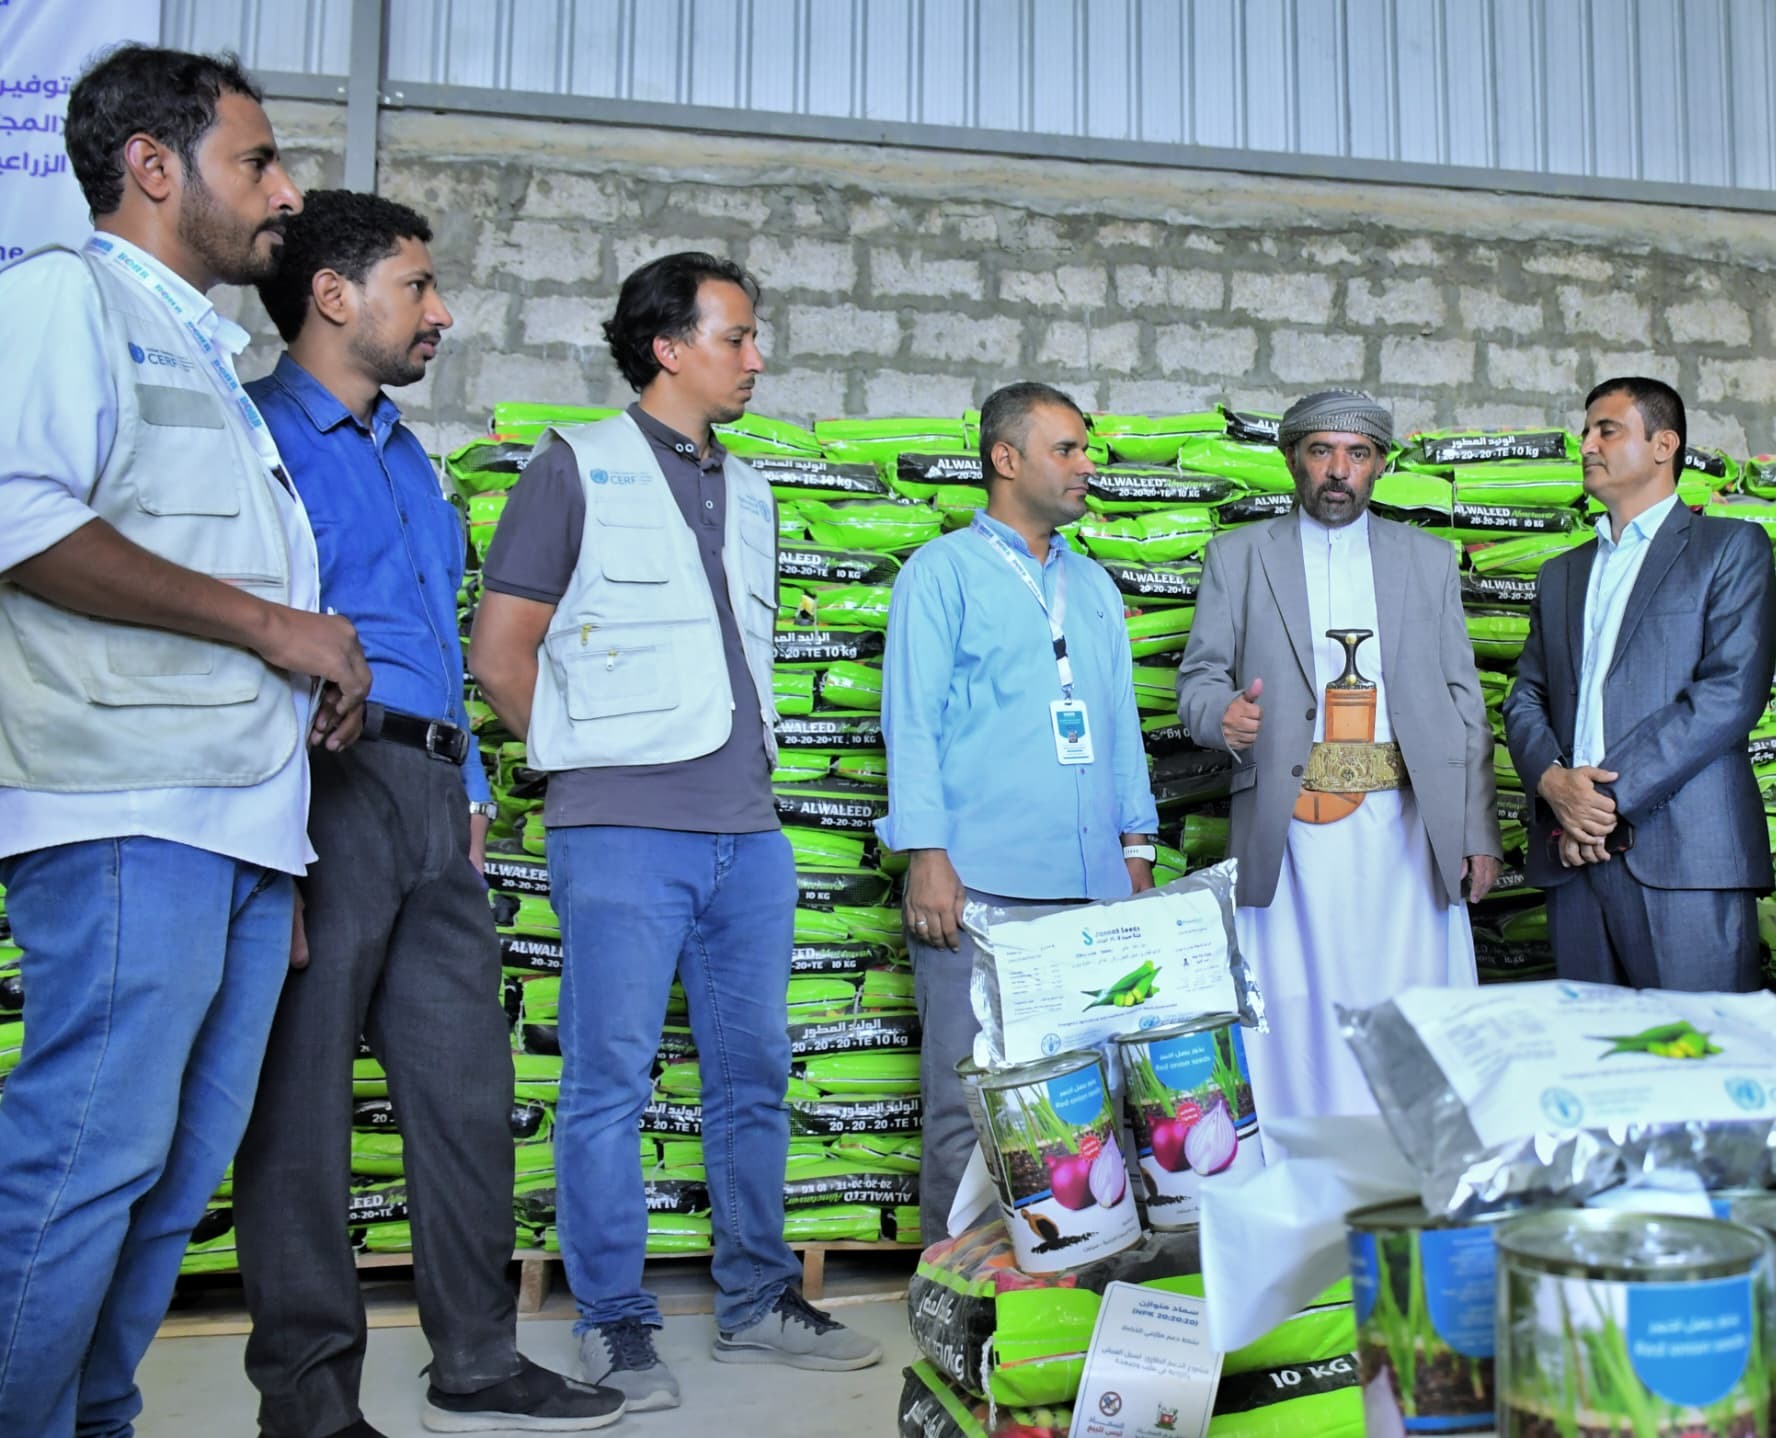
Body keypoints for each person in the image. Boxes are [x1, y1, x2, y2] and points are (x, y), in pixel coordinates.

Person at [0, 46, 376, 1438]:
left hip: (230, 830)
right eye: (257, 161)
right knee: (78, 1165)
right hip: (123, 813)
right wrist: (278, 629)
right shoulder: (61, 300)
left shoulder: (210, 359)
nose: (283, 191)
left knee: (165, 1181)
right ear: (153, 166)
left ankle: (94, 1417)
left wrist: (277, 821)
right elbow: (21, 519)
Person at [234, 191, 623, 1437]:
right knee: (299, 1103)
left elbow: (434, 641)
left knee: (464, 1090)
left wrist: (463, 790)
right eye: (417, 284)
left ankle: (478, 1357)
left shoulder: (405, 452)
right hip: (320, 789)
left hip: (430, 792)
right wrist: (272, 818)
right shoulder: (254, 439)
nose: (440, 311)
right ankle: (308, 1401)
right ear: (334, 295)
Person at [470, 253, 878, 1410]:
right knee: (609, 1082)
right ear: (668, 346)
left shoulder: (748, 487)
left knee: (754, 1073)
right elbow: (500, 653)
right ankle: (614, 1322)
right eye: (738, 337)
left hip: (747, 836)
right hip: (620, 835)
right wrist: (584, 758)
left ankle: (754, 1302)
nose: (757, 358)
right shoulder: (576, 467)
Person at [882, 381, 1159, 1245]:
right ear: (1007, 460)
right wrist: (927, 852)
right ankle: (953, 1294)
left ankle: (1076, 1282)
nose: (1086, 467)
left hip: (1091, 891)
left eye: (1085, 450)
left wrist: (1137, 851)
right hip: (982, 892)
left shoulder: (1096, 588)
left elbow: (1117, 726)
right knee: (970, 1104)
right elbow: (912, 720)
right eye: (1066, 450)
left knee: (1087, 1109)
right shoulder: (942, 574)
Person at [1176, 389, 1498, 1118]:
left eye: (1356, 455)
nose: (1337, 470)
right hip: (1287, 831)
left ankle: (1407, 1166)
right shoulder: (1239, 557)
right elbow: (1199, 677)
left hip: (1407, 827)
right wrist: (1220, 718)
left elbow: (1464, 703)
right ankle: (1296, 1169)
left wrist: (1479, 834)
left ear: (1380, 465)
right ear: (1293, 458)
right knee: (1292, 1006)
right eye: (1321, 451)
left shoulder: (1428, 559)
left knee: (1406, 996)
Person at [1503, 378, 1776, 991]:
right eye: (1585, 432)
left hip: (1685, 855)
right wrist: (1553, 784)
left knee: (1695, 1057)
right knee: (1596, 1066)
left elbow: (1730, 693)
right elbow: (1526, 695)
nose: (1586, 445)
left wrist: (1598, 805)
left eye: (1608, 429)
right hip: (1571, 854)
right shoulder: (1562, 573)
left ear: (1664, 445)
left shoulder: (1729, 549)